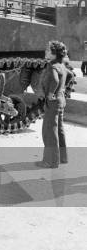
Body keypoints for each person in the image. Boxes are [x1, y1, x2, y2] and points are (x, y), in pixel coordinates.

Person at [36, 40, 73, 168]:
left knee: (49, 131)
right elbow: (70, 75)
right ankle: (62, 158)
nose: (46, 51)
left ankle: (50, 161)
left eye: (48, 50)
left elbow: (56, 80)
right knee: (59, 130)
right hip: (61, 100)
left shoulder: (52, 66)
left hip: (53, 102)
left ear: (53, 53)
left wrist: (51, 93)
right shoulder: (62, 65)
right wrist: (62, 91)